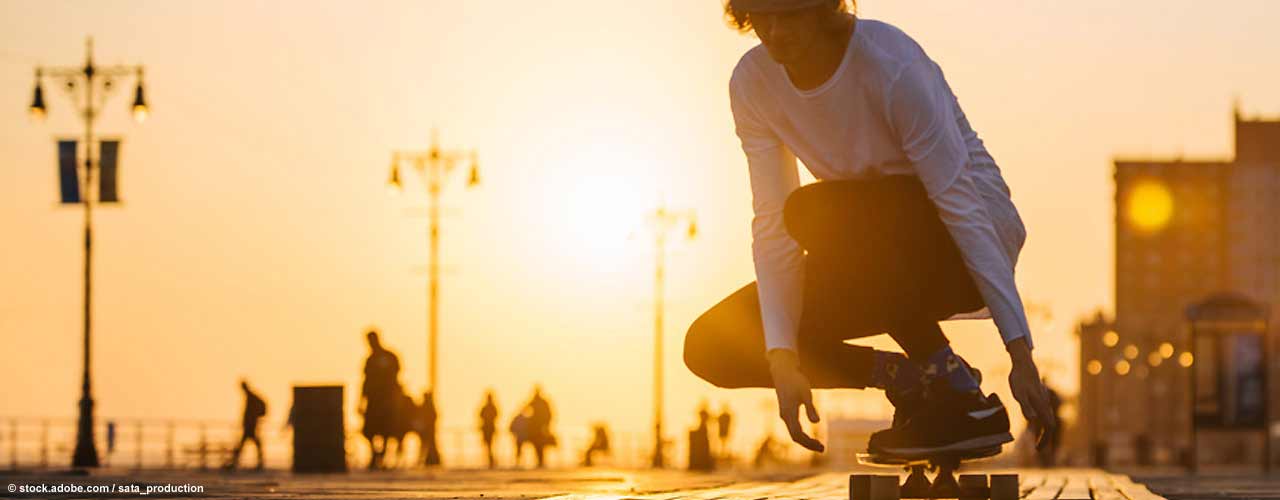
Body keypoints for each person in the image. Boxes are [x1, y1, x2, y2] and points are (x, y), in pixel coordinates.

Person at [683, 0, 1057, 458]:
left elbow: (962, 207)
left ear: (823, 9)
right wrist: (781, 358)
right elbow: (772, 227)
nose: (777, 32)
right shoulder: (753, 82)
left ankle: (947, 380)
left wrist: (1020, 353)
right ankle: (917, 383)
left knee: (814, 213)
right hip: (861, 255)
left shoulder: (891, 64)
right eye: (764, 18)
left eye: (792, 15)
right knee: (712, 343)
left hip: (962, 244)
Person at [359, 329, 401, 469]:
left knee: (388, 428)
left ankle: (381, 453)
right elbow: (365, 380)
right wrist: (361, 400)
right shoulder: (370, 359)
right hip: (374, 399)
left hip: (387, 398)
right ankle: (375, 453)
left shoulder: (389, 357)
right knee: (368, 429)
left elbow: (396, 377)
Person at [225, 380, 267, 471]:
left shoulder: (251, 397)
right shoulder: (250, 396)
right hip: (250, 424)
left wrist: (257, 416)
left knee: (246, 444)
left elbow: (261, 406)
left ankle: (234, 463)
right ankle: (258, 463)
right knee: (251, 444)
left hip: (250, 425)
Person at [479, 391, 499, 469]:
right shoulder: (489, 407)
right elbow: (480, 415)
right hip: (488, 428)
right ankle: (490, 460)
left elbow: (481, 415)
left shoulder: (491, 407)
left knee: (490, 445)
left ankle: (491, 461)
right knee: (488, 445)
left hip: (489, 428)